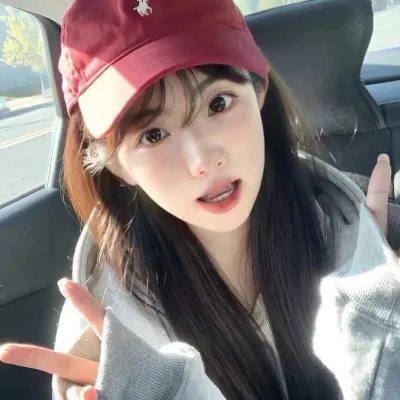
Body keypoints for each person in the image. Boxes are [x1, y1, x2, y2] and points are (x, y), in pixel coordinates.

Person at [1, 0, 400, 399]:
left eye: (218, 103)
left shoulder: (366, 235)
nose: (203, 161)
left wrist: (382, 340)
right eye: (153, 134)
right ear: (115, 165)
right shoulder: (105, 332)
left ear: (258, 90)